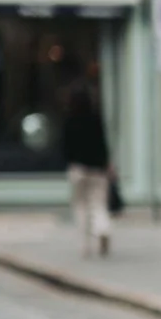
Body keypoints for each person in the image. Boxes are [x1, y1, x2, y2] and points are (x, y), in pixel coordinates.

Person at [61, 86, 112, 257]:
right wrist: (107, 164)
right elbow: (102, 144)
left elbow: (65, 148)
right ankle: (103, 228)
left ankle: (85, 246)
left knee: (81, 207)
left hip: (77, 169)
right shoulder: (95, 118)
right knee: (98, 204)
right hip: (97, 169)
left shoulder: (69, 120)